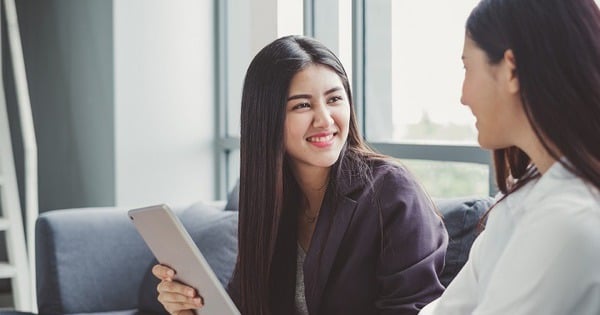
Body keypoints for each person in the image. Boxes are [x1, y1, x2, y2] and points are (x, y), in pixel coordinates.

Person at [152, 35, 448, 315]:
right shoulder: (267, 198)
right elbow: (247, 305)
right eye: (302, 105)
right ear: (266, 118)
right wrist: (190, 307)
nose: (325, 119)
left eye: (334, 99)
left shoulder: (391, 190)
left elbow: (415, 308)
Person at [420, 0, 600, 314]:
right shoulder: (521, 200)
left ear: (511, 70)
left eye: (467, 67)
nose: (463, 95)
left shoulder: (567, 221)